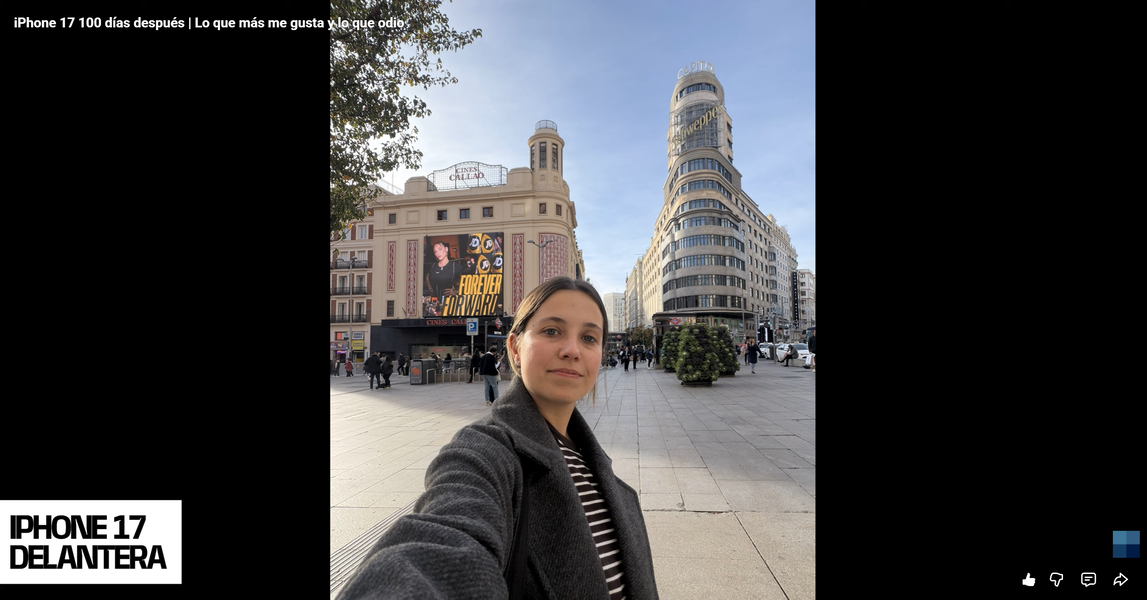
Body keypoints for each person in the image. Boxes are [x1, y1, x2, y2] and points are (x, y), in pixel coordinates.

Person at [336, 276, 659, 600]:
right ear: (515, 348)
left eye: (589, 337)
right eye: (551, 331)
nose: (572, 350)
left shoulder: (595, 465)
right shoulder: (485, 453)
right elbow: (439, 539)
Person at [423, 240, 476, 316]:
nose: (438, 253)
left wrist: (457, 292)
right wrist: (429, 288)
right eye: (435, 251)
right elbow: (427, 275)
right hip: (435, 304)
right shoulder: (433, 266)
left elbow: (467, 282)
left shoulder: (455, 267)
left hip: (450, 305)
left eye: (440, 249)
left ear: (446, 249)